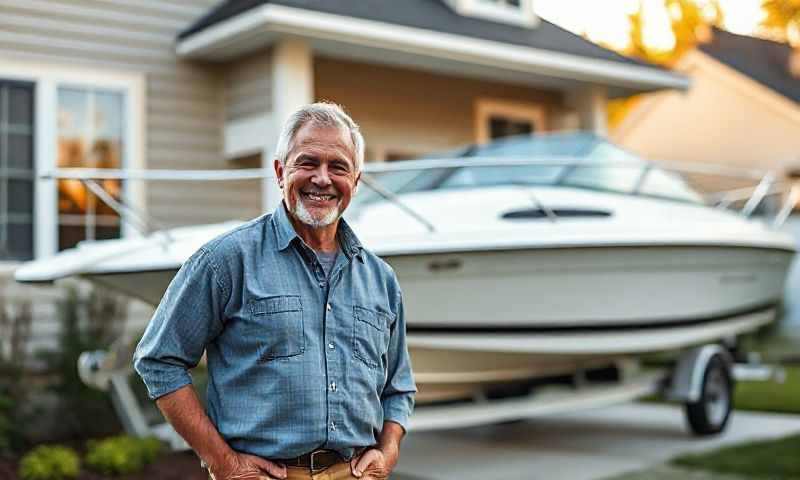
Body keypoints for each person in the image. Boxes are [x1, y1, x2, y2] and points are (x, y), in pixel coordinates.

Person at [133, 102, 416, 480]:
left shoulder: (380, 278)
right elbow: (158, 360)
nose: (322, 179)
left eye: (338, 167)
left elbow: (399, 387)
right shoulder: (226, 260)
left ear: (356, 181)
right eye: (308, 162)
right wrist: (223, 462)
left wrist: (389, 449)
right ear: (281, 172)